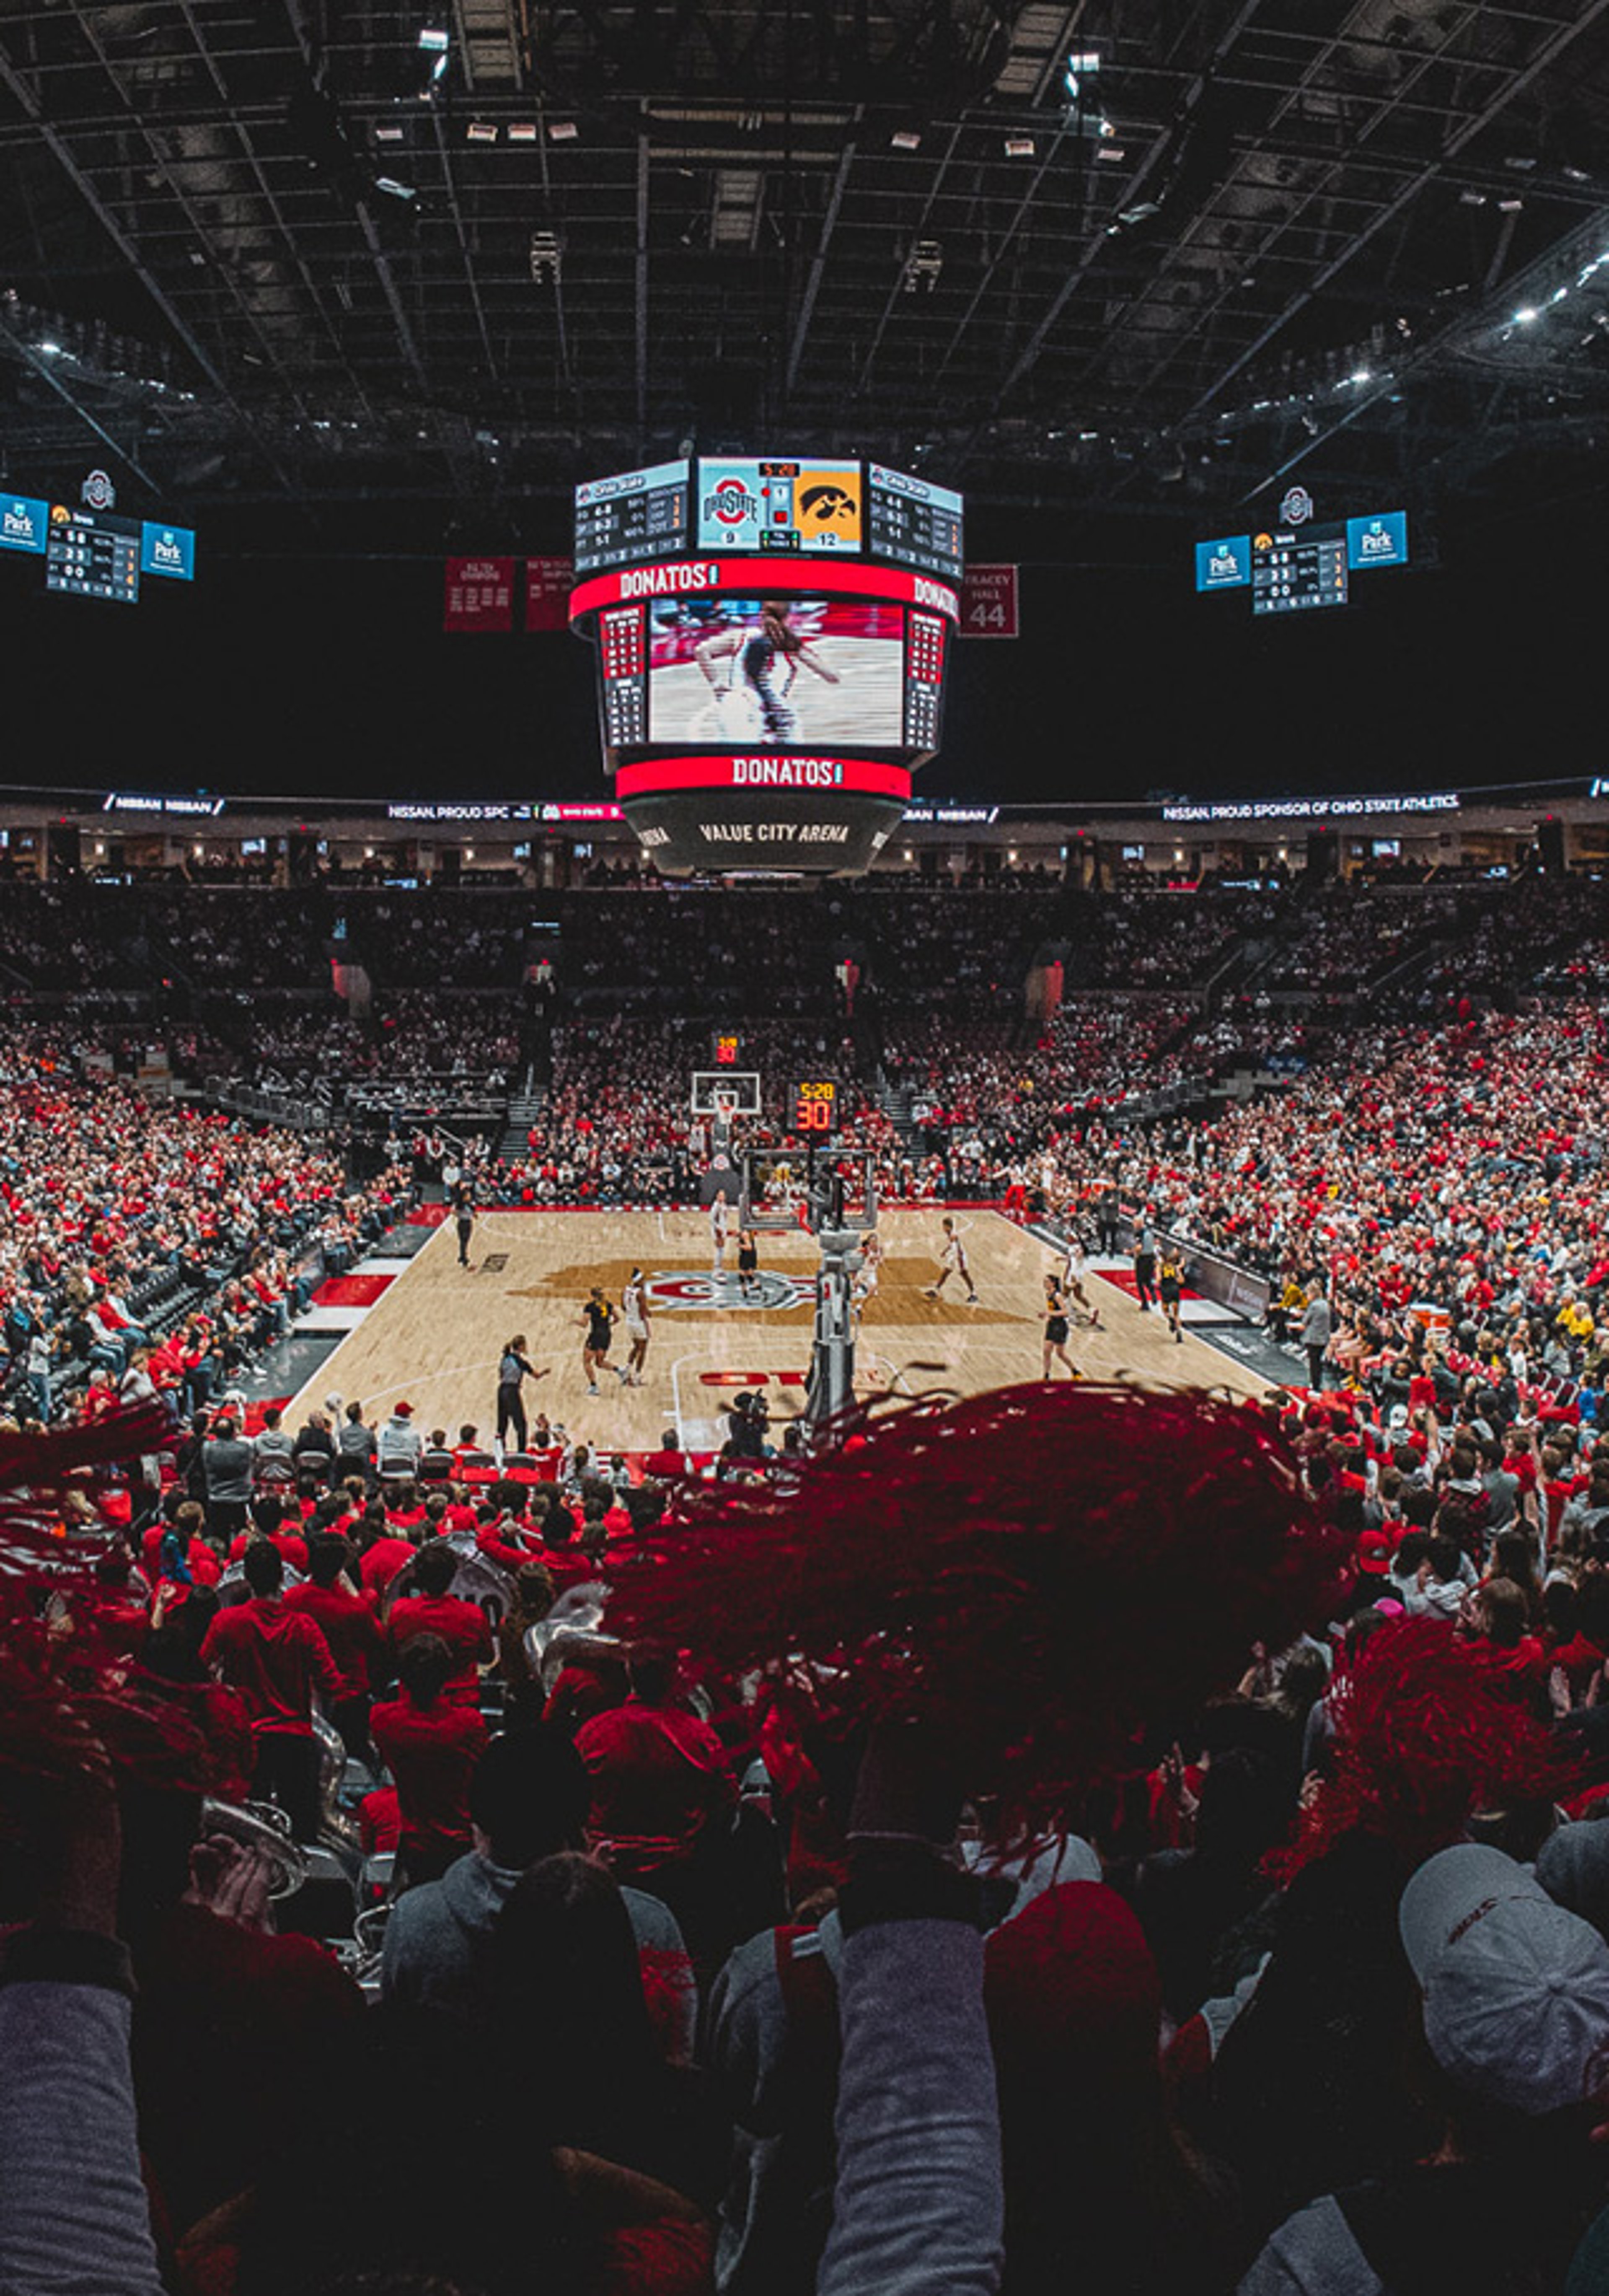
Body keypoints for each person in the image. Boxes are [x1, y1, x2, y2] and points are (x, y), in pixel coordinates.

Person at [199, 1541, 342, 1842]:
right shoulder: (304, 1627)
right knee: (302, 1837)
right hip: (296, 1740)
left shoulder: (227, 1622)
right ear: (281, 1577)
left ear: (248, 1579)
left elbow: (201, 1669)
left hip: (247, 1741)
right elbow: (332, 1684)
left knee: (246, 1833)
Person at [369, 1633, 489, 1885]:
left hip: (415, 1845)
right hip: (461, 1844)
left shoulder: (383, 1720)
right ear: (446, 1677)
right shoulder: (469, 1724)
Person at [693, 599, 842, 744]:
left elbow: (701, 651)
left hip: (737, 704)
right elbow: (833, 677)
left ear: (761, 615)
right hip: (774, 709)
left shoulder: (740, 637)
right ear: (788, 617)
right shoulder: (791, 644)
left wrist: (716, 684)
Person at [495, 1332, 544, 1451]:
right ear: (521, 1346)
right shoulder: (521, 1362)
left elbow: (501, 1375)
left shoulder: (505, 1359)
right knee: (521, 1425)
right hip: (512, 1391)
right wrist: (544, 1373)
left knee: (502, 1424)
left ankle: (499, 1451)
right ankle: (521, 1453)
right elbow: (536, 1376)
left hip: (502, 1390)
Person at [924, 1215, 978, 1306]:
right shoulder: (951, 1234)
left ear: (947, 1226)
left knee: (965, 1274)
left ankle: (974, 1294)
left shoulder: (953, 1235)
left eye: (944, 1226)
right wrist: (945, 1251)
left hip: (959, 1257)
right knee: (945, 1273)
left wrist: (959, 1261)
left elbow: (958, 1248)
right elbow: (952, 1245)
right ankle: (936, 1290)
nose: (943, 1228)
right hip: (954, 1256)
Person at [580, 1285, 620, 1396]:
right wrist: (608, 1325)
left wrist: (575, 1322)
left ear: (592, 1296)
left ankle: (594, 1386)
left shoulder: (590, 1307)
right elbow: (618, 1318)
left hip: (596, 1335)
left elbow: (584, 1324)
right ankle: (619, 1371)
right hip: (606, 1335)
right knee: (599, 1362)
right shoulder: (608, 1305)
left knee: (587, 1361)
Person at [1042, 1274, 1076, 1381]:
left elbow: (1066, 1312)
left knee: (1060, 1353)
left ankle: (1075, 1371)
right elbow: (1053, 1310)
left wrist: (1049, 1313)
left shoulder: (1057, 1296)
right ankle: (1046, 1375)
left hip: (1060, 1326)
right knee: (1047, 1351)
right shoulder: (1048, 1294)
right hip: (1052, 1324)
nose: (1045, 1283)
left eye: (1047, 1282)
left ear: (1053, 1283)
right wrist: (1048, 1316)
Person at [622, 1263, 652, 1386]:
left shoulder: (626, 1290)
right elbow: (644, 1312)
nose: (644, 1282)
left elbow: (623, 1307)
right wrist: (648, 1315)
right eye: (643, 1280)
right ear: (639, 1281)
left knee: (636, 1347)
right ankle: (637, 1377)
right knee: (643, 1349)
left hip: (629, 1321)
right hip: (638, 1323)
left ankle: (626, 1371)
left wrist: (632, 1312)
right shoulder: (640, 1294)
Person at [1301, 1286, 1333, 1392]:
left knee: (1314, 1364)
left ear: (1313, 1294)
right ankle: (1317, 1384)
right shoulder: (1325, 1304)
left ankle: (1315, 1386)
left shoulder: (1314, 1306)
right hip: (1324, 1338)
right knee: (1318, 1363)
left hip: (1315, 1338)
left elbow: (1305, 1322)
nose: (1307, 1297)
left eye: (1308, 1294)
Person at [1132, 1212, 1157, 1314]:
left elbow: (1139, 1248)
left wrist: (1131, 1252)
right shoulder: (1150, 1231)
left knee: (1139, 1282)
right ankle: (1153, 1293)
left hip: (1143, 1259)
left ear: (1139, 1223)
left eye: (1134, 1222)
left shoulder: (1140, 1233)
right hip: (1151, 1257)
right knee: (1148, 1279)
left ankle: (1145, 1304)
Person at [1158, 1247, 1184, 1344]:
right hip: (1175, 1289)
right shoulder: (1175, 1267)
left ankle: (1171, 1319)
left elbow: (1158, 1280)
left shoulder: (1161, 1267)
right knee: (1177, 1314)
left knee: (1165, 1311)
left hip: (1166, 1289)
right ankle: (1179, 1332)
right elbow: (1182, 1281)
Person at [453, 1178, 476, 1269]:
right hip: (463, 1223)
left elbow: (472, 1211)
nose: (469, 1196)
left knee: (465, 1241)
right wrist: (459, 1215)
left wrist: (473, 1215)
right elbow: (454, 1211)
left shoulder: (469, 1204)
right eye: (468, 1195)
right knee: (464, 1241)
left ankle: (463, 1256)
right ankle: (464, 1258)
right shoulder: (461, 1204)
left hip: (466, 1222)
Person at [710, 1187, 732, 1278]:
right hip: (718, 1230)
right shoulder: (716, 1206)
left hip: (723, 1229)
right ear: (717, 1196)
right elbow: (712, 1219)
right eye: (720, 1195)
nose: (722, 1197)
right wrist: (717, 1229)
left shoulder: (723, 1205)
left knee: (722, 1250)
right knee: (719, 1250)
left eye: (723, 1195)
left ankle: (720, 1268)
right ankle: (716, 1269)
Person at [737, 1226, 760, 1303]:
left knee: (742, 1274)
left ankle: (745, 1290)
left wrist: (740, 1246)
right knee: (749, 1273)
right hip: (750, 1255)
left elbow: (749, 1247)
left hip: (747, 1255)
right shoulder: (748, 1233)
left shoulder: (745, 1233)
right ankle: (756, 1285)